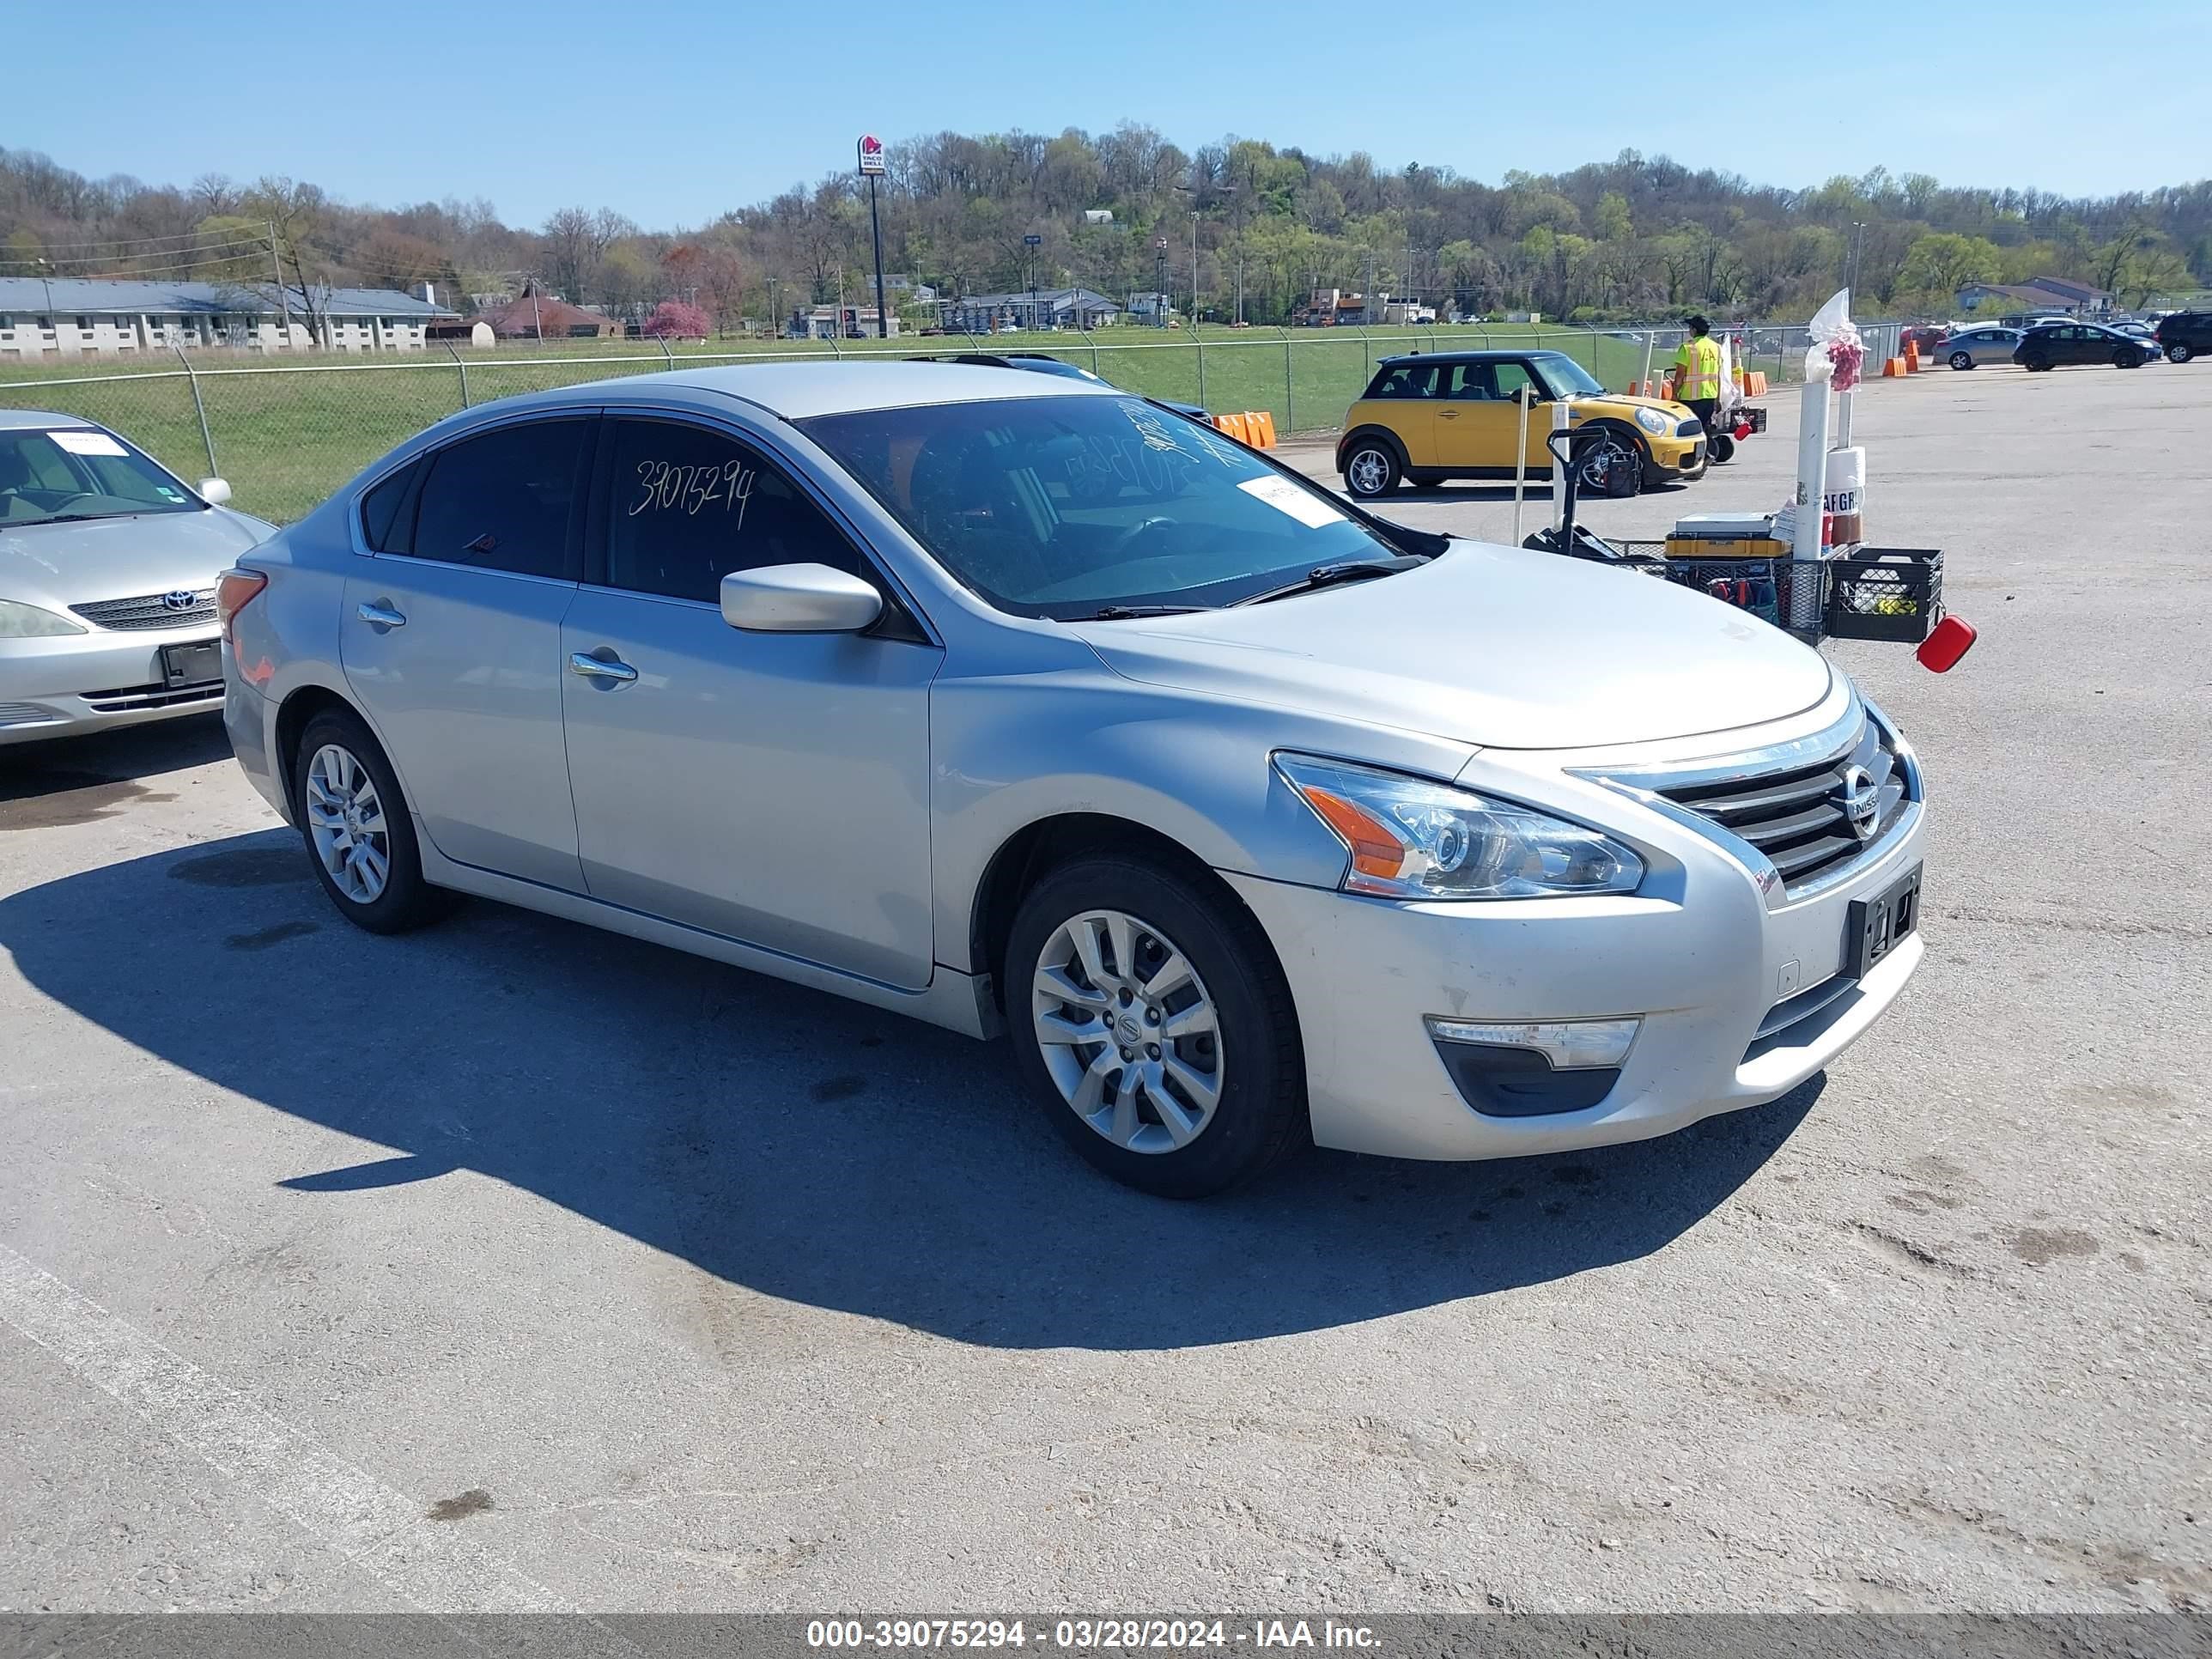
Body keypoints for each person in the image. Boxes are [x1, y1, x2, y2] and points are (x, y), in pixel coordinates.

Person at [1670, 315, 1724, 438]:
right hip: (1710, 396)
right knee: (1704, 430)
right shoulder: (1716, 347)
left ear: (1694, 330)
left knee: (1690, 433)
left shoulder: (1688, 347)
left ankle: (1695, 455)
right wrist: (1717, 399)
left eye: (1690, 327)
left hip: (1690, 398)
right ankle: (1707, 453)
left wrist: (1674, 394)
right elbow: (1718, 376)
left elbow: (1680, 375)